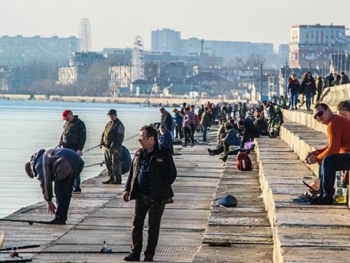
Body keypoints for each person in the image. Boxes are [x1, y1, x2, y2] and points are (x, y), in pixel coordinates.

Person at [122, 125, 177, 262]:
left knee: (153, 227)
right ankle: (135, 252)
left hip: (157, 197)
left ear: (151, 139)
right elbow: (132, 173)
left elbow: (172, 174)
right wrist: (127, 189)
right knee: (136, 225)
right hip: (140, 195)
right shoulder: (138, 153)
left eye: (142, 137)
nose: (139, 140)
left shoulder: (163, 154)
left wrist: (161, 186)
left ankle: (149, 254)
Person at [24, 148, 84, 224]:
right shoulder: (42, 157)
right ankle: (62, 217)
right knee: (66, 192)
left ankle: (60, 218)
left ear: (31, 170)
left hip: (65, 163)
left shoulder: (38, 166)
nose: (36, 176)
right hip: (77, 160)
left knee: (60, 191)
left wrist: (48, 201)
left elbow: (45, 183)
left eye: (34, 176)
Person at [305, 103, 350, 205]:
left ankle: (327, 195)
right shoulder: (334, 122)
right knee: (325, 160)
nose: (318, 117)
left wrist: (316, 158)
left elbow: (333, 150)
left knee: (328, 161)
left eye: (320, 114)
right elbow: (332, 146)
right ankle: (322, 193)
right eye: (315, 116)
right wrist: (316, 153)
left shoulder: (333, 124)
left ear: (329, 111)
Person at [59, 109, 86, 193]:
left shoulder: (79, 124)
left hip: (74, 148)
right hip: (65, 147)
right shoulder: (67, 124)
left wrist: (80, 149)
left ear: (71, 115)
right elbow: (63, 133)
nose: (66, 120)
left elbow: (83, 138)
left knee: (75, 168)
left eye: (67, 118)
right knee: (66, 167)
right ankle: (68, 185)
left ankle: (76, 186)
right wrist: (60, 140)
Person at [100, 109, 125, 184]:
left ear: (115, 115)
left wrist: (117, 148)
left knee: (115, 164)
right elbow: (104, 132)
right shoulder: (109, 124)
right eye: (109, 115)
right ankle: (111, 178)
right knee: (108, 164)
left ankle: (117, 179)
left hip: (114, 147)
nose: (110, 117)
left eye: (111, 115)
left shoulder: (119, 125)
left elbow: (120, 137)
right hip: (107, 147)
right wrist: (101, 141)